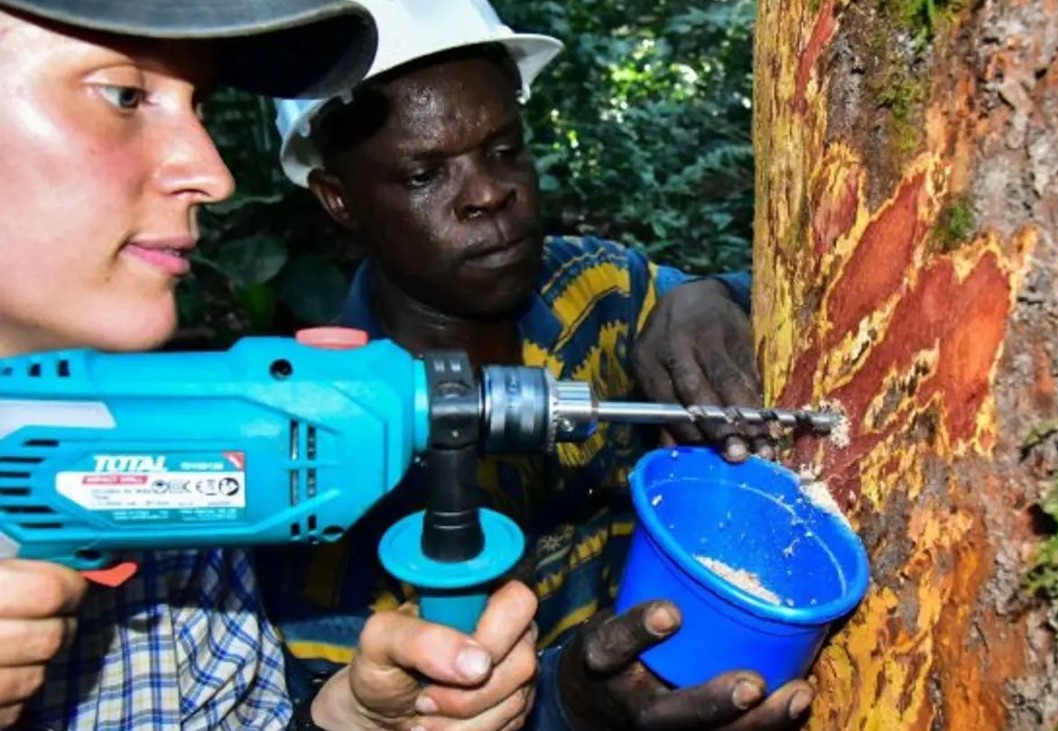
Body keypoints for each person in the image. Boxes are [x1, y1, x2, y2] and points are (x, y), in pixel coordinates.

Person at [265, 0, 814, 728]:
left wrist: (710, 296)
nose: (491, 193)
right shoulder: (326, 468)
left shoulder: (599, 291)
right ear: (340, 200)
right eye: (426, 174)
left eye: (503, 149)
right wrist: (578, 704)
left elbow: (757, 317)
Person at [0, 2, 540, 730]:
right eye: (124, 95)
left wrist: (351, 720)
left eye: (201, 107)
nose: (212, 173)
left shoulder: (170, 480)